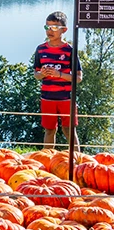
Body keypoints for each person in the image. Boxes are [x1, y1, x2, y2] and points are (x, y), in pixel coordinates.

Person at [34, 11, 82, 151]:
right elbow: (36, 74)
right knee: (49, 130)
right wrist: (42, 74)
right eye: (47, 27)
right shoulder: (41, 49)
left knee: (69, 130)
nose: (50, 31)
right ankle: (47, 159)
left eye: (54, 27)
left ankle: (77, 159)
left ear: (64, 30)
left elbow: (78, 78)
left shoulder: (70, 50)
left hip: (66, 98)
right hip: (47, 98)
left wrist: (59, 74)